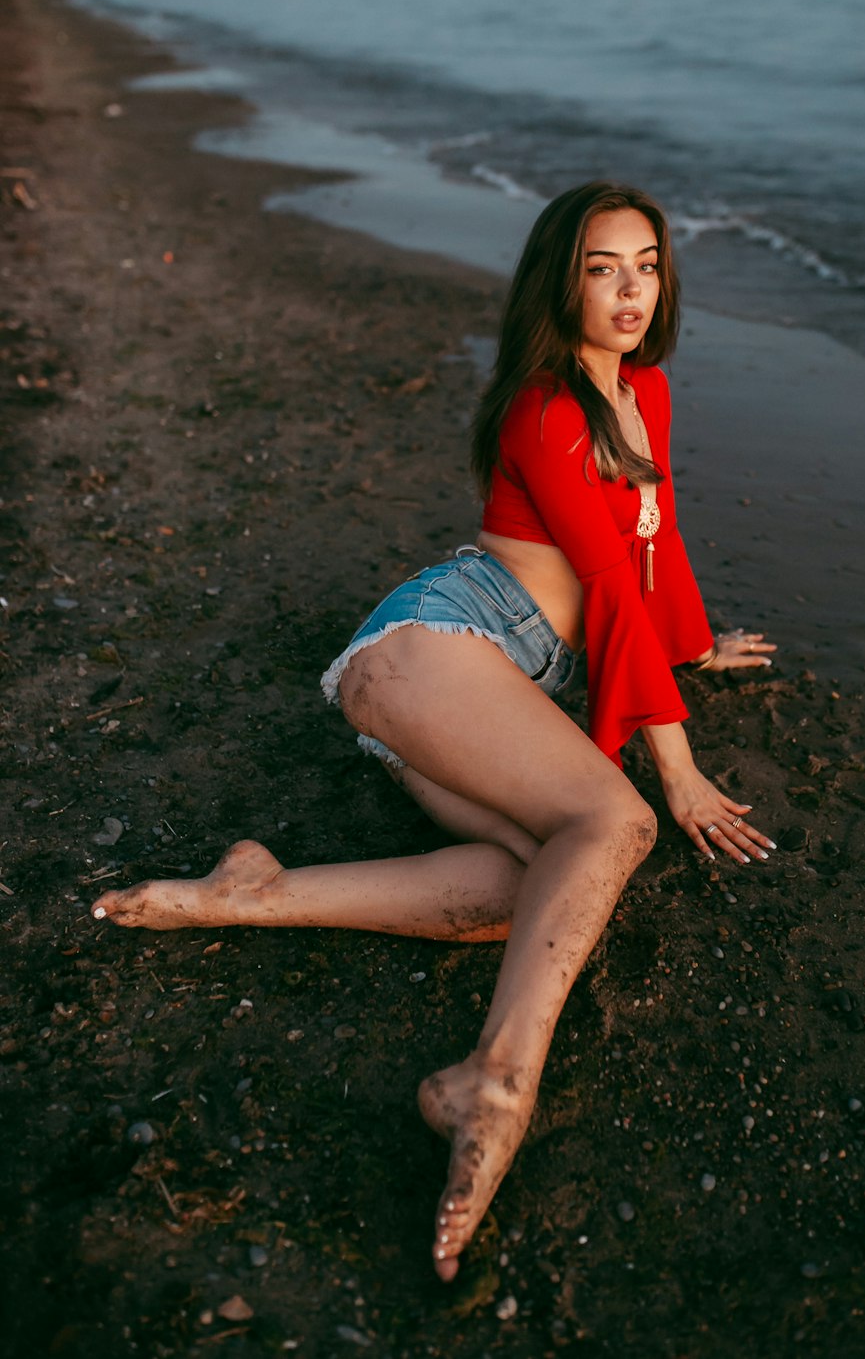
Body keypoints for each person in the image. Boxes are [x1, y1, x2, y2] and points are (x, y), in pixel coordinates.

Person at [91, 182, 776, 1282]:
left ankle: (252, 893)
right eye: (603, 266)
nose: (631, 287)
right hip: (435, 644)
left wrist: (691, 648)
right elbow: (602, 586)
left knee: (521, 894)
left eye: (646, 262)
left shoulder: (640, 391)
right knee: (617, 824)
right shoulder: (546, 407)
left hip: (478, 680)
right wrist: (680, 771)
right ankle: (497, 1081)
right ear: (563, 283)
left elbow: (654, 540)